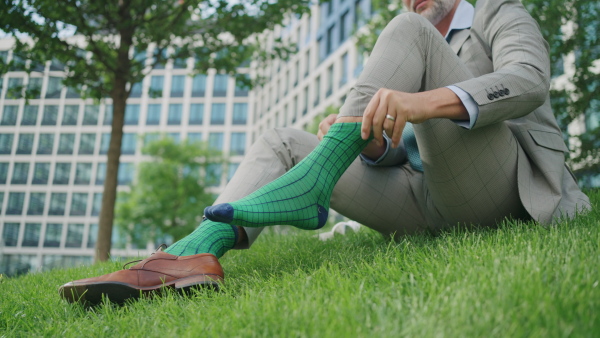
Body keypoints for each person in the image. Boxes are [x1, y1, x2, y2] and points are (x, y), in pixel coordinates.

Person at [59, 0, 591, 305]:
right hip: (430, 202)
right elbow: (403, 158)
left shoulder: (500, 11)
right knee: (283, 140)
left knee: (407, 32)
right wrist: (377, 145)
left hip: (503, 188)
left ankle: (313, 184)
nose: (409, 0)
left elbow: (528, 80)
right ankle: (191, 258)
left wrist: (423, 103)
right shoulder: (410, 46)